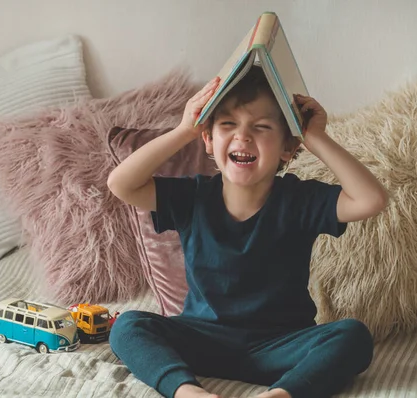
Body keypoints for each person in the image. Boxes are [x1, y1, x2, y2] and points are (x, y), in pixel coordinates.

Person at [106, 66, 388, 398]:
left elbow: (372, 199)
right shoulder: (190, 197)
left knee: (353, 336)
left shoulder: (300, 200)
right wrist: (185, 130)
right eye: (228, 124)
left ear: (287, 148)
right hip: (202, 340)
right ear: (209, 140)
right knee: (127, 326)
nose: (243, 136)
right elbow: (120, 184)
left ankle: (281, 394)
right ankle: (186, 392)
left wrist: (315, 137)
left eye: (261, 126)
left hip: (279, 346)